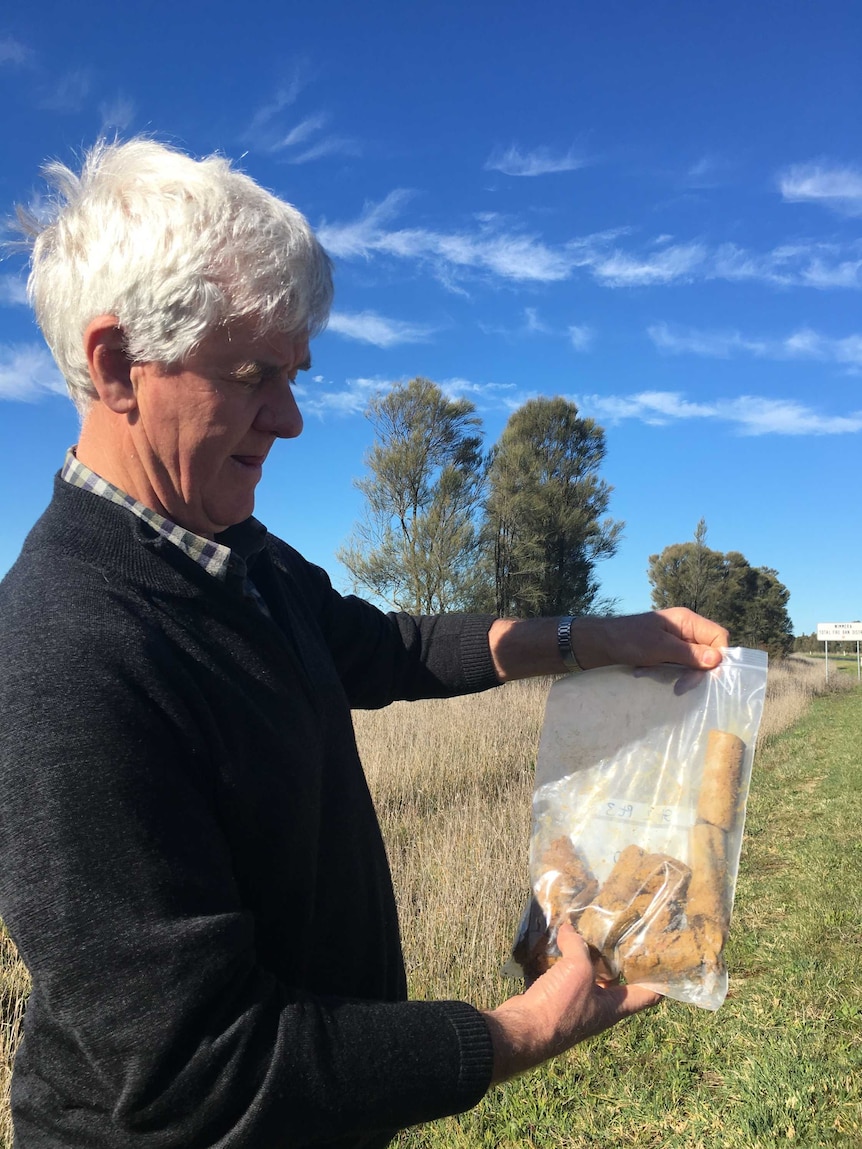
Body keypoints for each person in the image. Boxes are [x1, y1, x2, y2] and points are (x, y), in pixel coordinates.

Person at [0, 138, 728, 1149]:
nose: (292, 419)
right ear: (118, 364)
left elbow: (388, 648)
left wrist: (594, 636)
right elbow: (197, 1074)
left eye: (295, 374)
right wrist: (522, 1028)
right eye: (255, 374)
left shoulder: (231, 556)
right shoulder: (64, 657)